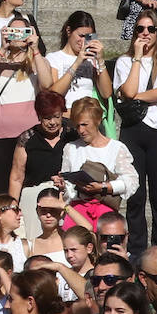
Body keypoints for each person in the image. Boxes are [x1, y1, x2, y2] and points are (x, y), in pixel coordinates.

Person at [113, 10, 157, 253]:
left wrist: (133, 98)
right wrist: (136, 57)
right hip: (133, 131)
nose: (145, 33)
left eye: (151, 29)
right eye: (140, 29)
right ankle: (136, 250)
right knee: (134, 196)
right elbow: (129, 88)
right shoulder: (124, 62)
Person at [0, 16, 54, 198]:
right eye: (13, 31)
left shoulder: (38, 61)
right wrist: (2, 49)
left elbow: (47, 85)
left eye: (23, 32)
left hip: (28, 137)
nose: (18, 36)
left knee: (26, 188)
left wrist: (35, 50)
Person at [59, 95, 140, 235]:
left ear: (97, 121)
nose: (81, 130)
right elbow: (67, 186)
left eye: (85, 124)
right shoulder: (71, 148)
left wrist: (103, 187)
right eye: (77, 125)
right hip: (77, 212)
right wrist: (62, 184)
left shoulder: (115, 148)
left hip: (105, 213)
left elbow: (132, 181)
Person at [9, 89, 72, 234]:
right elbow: (17, 177)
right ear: (39, 117)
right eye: (47, 118)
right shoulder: (27, 138)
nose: (52, 123)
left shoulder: (71, 135)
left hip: (64, 196)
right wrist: (13, 206)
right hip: (34, 197)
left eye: (56, 117)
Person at [47, 10, 113, 110]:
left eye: (88, 37)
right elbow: (54, 94)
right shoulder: (53, 58)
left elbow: (106, 93)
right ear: (68, 31)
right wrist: (77, 63)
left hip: (89, 116)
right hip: (66, 115)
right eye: (81, 36)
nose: (83, 41)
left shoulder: (91, 60)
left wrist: (100, 60)